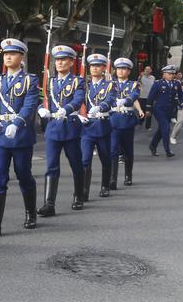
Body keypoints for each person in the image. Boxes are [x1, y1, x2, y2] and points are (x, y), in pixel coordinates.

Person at [0, 38, 40, 235]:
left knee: (23, 175)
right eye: (5, 54)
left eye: (13, 53)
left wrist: (17, 123)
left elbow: (29, 105)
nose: (8, 57)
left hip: (20, 136)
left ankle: (30, 213)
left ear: (21, 56)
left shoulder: (30, 79)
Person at [36, 45, 85, 216]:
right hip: (53, 129)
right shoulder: (49, 82)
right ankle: (49, 204)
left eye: (63, 60)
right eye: (57, 60)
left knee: (76, 164)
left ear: (71, 62)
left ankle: (79, 195)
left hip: (70, 127)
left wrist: (68, 108)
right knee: (51, 167)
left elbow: (79, 99)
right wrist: (41, 108)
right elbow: (42, 99)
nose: (59, 63)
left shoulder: (78, 81)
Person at [78, 54, 118, 201]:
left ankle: (105, 186)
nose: (94, 68)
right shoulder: (83, 85)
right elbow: (77, 101)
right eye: (92, 65)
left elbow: (110, 99)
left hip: (102, 126)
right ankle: (83, 191)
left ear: (103, 68)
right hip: (87, 127)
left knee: (105, 158)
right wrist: (79, 115)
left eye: (98, 66)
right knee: (85, 160)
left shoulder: (110, 85)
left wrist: (101, 107)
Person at [108, 58, 140, 189]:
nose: (121, 71)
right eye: (119, 68)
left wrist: (126, 100)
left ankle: (128, 175)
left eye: (124, 69)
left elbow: (134, 95)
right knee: (113, 151)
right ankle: (112, 179)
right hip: (113, 119)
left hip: (126, 121)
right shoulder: (109, 84)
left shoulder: (133, 84)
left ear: (129, 71)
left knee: (128, 150)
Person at [147, 65, 183, 158]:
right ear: (164, 74)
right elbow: (151, 97)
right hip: (159, 109)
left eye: (173, 74)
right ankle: (167, 150)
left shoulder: (177, 84)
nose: (171, 76)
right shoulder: (158, 84)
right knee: (166, 128)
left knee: (161, 130)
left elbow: (181, 95)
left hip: (170, 110)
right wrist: (148, 109)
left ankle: (153, 146)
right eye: (169, 74)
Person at [138, 66, 156, 130]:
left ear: (151, 70)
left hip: (150, 98)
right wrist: (140, 76)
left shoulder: (153, 78)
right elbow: (137, 83)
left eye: (149, 69)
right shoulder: (141, 77)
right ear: (144, 70)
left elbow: (154, 87)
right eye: (146, 69)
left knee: (149, 112)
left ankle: (148, 126)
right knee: (142, 111)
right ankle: (140, 122)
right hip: (142, 97)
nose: (147, 70)